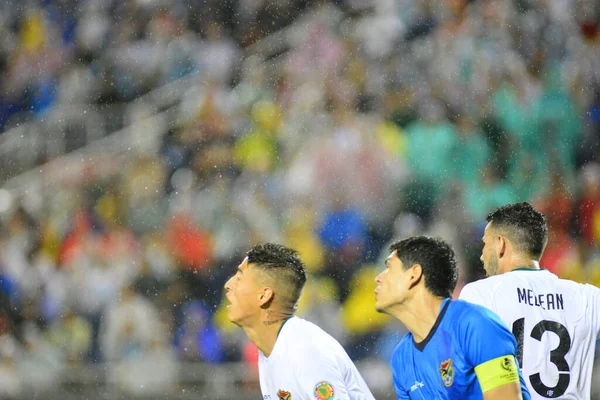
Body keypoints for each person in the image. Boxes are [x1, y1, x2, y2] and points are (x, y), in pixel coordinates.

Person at [460, 202, 600, 399]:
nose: (482, 255)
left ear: (500, 243)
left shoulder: (480, 294)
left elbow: (460, 374)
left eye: (485, 244)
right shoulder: (588, 298)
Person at [375, 236, 530, 399]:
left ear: (414, 274)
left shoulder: (475, 325)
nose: (378, 277)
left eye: (388, 267)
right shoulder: (401, 357)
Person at [224, 243, 375, 400]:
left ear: (264, 296)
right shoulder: (273, 348)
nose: (228, 285)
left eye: (239, 278)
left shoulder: (306, 353)